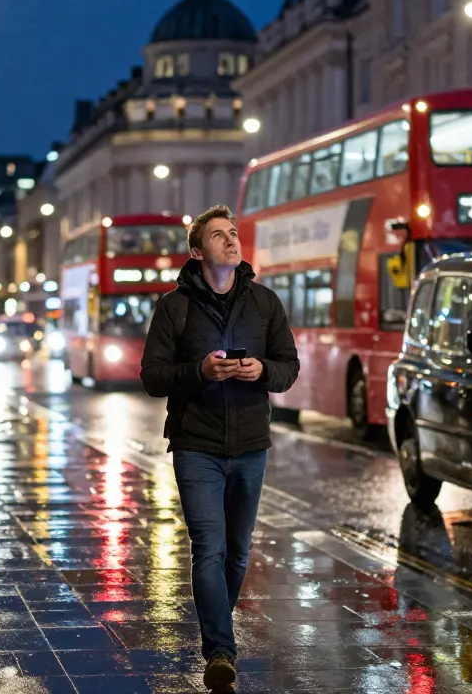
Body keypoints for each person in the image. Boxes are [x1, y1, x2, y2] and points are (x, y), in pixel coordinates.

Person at [139, 205, 299, 693]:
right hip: (196, 444)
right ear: (197, 251)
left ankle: (216, 628)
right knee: (209, 547)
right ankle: (220, 653)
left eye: (233, 233)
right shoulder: (173, 307)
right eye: (218, 235)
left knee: (237, 552)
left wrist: (263, 373)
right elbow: (152, 376)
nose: (232, 241)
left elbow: (288, 366)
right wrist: (200, 373)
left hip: (251, 444)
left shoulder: (265, 303)